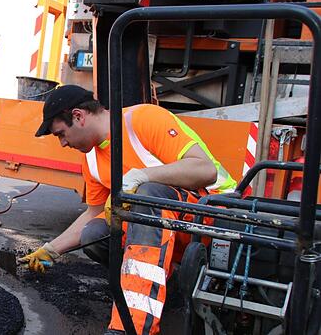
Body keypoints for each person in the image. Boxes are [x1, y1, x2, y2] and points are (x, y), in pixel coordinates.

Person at [20, 85, 236, 335]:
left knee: (148, 196)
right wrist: (50, 249)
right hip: (166, 226)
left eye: (61, 133)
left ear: (78, 116)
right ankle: (162, 286)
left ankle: (132, 327)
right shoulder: (91, 159)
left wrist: (143, 176)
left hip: (217, 216)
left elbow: (205, 171)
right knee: (95, 233)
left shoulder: (142, 120)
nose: (63, 143)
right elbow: (93, 213)